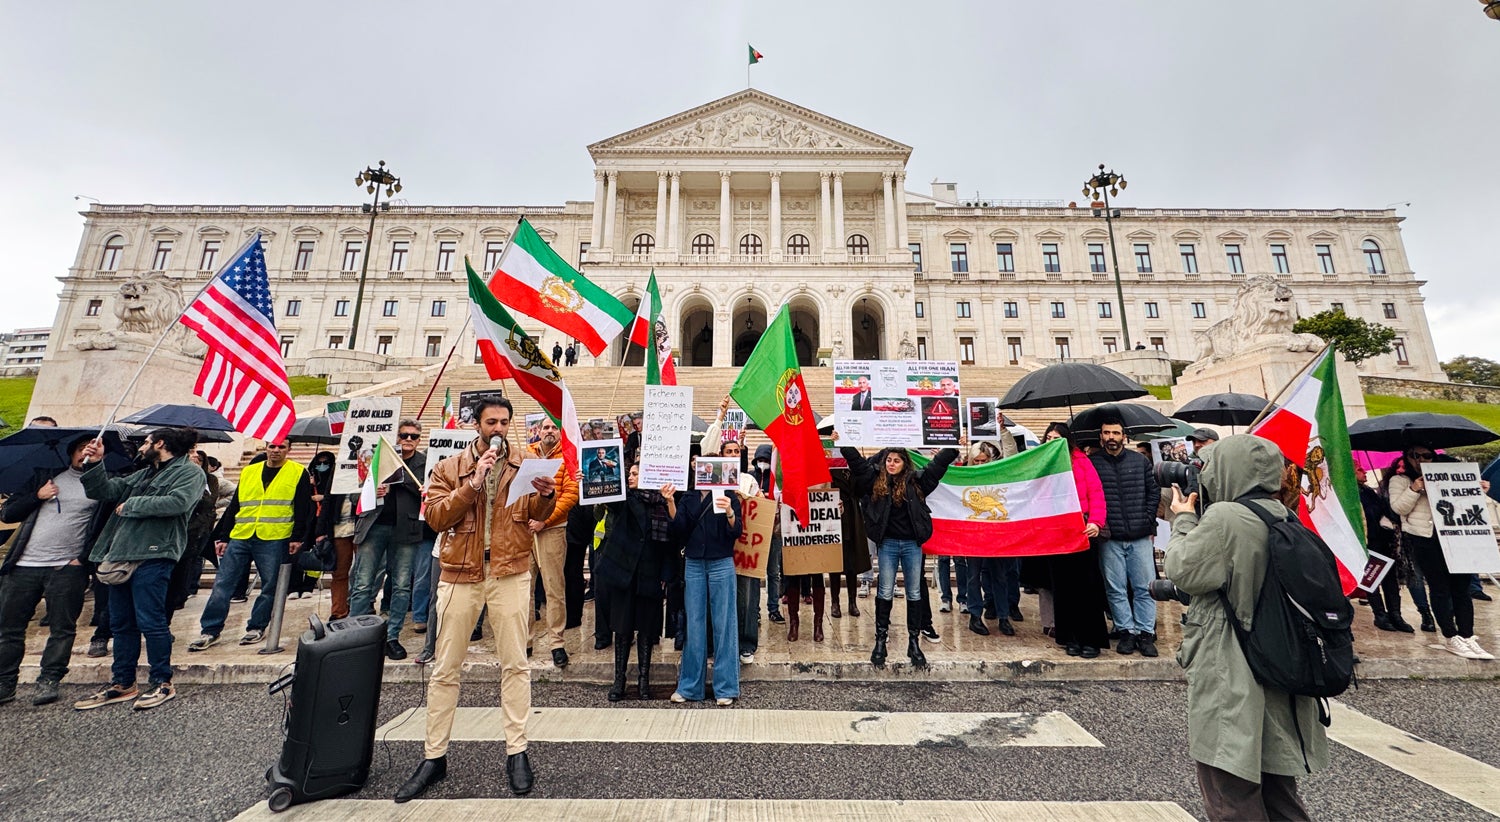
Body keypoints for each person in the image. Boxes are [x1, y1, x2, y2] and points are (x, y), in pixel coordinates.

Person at [396, 397, 557, 802]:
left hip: (510, 572)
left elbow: (533, 513)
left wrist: (546, 495)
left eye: (504, 422)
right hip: (460, 575)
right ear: (476, 425)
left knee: (515, 665)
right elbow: (435, 518)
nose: (498, 429)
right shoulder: (449, 467)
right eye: (491, 422)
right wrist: (472, 482)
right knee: (445, 668)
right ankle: (434, 755)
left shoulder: (524, 463)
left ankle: (517, 751)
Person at [1164, 434, 1330, 821]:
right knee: (1278, 792)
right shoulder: (1281, 512)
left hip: (1232, 665)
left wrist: (1184, 518)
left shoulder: (1225, 518)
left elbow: (1184, 571)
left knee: (1230, 793)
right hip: (1278, 661)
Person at [74, 428, 204, 712]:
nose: (141, 448)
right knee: (121, 623)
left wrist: (132, 504)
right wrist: (97, 463)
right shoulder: (144, 474)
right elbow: (103, 491)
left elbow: (178, 503)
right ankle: (123, 682)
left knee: (152, 621)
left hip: (155, 554)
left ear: (160, 444)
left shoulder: (190, 473)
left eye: (145, 442)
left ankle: (162, 681)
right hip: (121, 555)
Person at [0, 434, 110, 707]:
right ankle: (5, 682)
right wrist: (37, 496)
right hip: (24, 564)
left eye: (94, 449)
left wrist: (81, 560)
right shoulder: (45, 477)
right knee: (9, 628)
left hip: (66, 567)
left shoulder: (101, 487)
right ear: (71, 452)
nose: (88, 452)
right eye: (83, 448)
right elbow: (8, 513)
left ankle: (49, 679)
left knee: (62, 628)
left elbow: (105, 529)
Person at [840, 441, 959, 669]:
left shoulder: (917, 481)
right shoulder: (875, 481)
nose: (891, 464)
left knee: (914, 592)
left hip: (912, 545)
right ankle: (880, 642)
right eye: (888, 460)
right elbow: (857, 464)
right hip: (888, 545)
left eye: (896, 460)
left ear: (905, 463)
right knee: (884, 591)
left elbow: (936, 469)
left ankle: (914, 643)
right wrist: (844, 441)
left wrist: (952, 449)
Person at [188, 438, 312, 652]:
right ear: (266, 448)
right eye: (272, 446)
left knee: (270, 585)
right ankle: (210, 629)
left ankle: (257, 626)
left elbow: (302, 507)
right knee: (223, 584)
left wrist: (297, 537)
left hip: (275, 536)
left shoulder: (298, 472)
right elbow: (235, 505)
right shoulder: (249, 471)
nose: (276, 450)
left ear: (289, 450)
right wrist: (224, 536)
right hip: (242, 534)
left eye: (281, 447)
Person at [1388, 445, 1493, 659]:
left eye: (1426, 455)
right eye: (1415, 456)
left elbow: (1466, 503)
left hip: (1456, 535)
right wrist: (1414, 489)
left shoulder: (1447, 474)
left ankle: (1467, 634)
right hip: (1424, 538)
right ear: (1407, 458)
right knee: (1439, 587)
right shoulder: (1400, 481)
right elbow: (1398, 508)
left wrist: (1478, 489)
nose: (1420, 460)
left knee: (1462, 587)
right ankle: (1450, 634)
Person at [349, 419, 426, 660]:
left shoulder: (424, 462)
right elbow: (353, 495)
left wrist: (400, 476)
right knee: (363, 582)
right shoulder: (376, 457)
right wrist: (371, 491)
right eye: (404, 435)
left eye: (414, 436)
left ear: (419, 440)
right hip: (375, 526)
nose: (409, 440)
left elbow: (425, 491)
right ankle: (356, 636)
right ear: (397, 436)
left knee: (402, 585)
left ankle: (392, 636)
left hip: (406, 529)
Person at [595, 461, 672, 700]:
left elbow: (670, 542)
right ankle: (619, 680)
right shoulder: (626, 499)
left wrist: (666, 576)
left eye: (636, 473)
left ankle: (643, 681)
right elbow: (609, 497)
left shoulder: (662, 502)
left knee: (647, 630)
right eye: (629, 473)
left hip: (651, 572)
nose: (630, 477)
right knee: (623, 627)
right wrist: (588, 480)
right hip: (624, 573)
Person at [665, 478, 743, 706]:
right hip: (694, 562)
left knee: (724, 623)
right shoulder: (689, 497)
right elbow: (678, 528)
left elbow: (737, 530)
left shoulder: (728, 494)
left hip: (721, 561)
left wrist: (729, 510)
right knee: (694, 624)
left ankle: (726, 687)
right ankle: (690, 686)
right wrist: (670, 501)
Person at [1090, 412, 1161, 657]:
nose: (1111, 437)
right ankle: (1126, 630)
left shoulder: (1139, 462)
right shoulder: (1093, 462)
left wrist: (1148, 520)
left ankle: (1145, 632)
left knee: (1145, 587)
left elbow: (1153, 493)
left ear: (1124, 436)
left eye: (1116, 433)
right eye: (1107, 433)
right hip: (1111, 537)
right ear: (1101, 437)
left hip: (1139, 534)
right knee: (1115, 588)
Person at [1038, 423, 1110, 657]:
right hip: (1056, 533)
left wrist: (1096, 522)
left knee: (1086, 586)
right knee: (1063, 587)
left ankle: (1090, 639)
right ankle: (1070, 637)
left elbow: (1096, 493)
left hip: (1082, 528)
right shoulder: (1041, 463)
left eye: (1056, 437)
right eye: (1048, 437)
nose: (1051, 441)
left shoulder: (1082, 461)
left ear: (1066, 440)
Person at [526, 417, 580, 669]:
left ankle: (556, 642)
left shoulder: (568, 456)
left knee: (553, 588)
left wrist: (544, 521)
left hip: (553, 529)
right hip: (524, 529)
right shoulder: (526, 453)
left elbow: (570, 494)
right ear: (537, 431)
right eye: (545, 427)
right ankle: (525, 640)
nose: (549, 431)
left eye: (553, 428)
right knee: (523, 588)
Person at [1356, 464, 1412, 633]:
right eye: (1359, 469)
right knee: (1371, 579)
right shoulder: (1352, 492)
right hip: (1369, 541)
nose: (1364, 471)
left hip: (1384, 539)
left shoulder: (1369, 490)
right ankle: (1380, 615)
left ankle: (1396, 614)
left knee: (1390, 579)